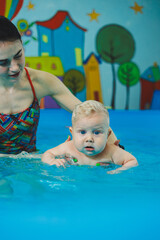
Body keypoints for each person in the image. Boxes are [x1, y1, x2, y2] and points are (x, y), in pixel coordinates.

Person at [0, 16, 117, 154]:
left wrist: (116, 150)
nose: (14, 67)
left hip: (30, 168)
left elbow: (89, 115)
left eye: (18, 55)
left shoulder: (40, 82)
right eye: (3, 62)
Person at [42, 100, 138, 174]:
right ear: (72, 132)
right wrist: (52, 161)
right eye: (82, 132)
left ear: (108, 135)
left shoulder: (111, 152)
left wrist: (117, 171)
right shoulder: (68, 148)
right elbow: (47, 154)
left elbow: (132, 161)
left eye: (97, 132)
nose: (89, 139)